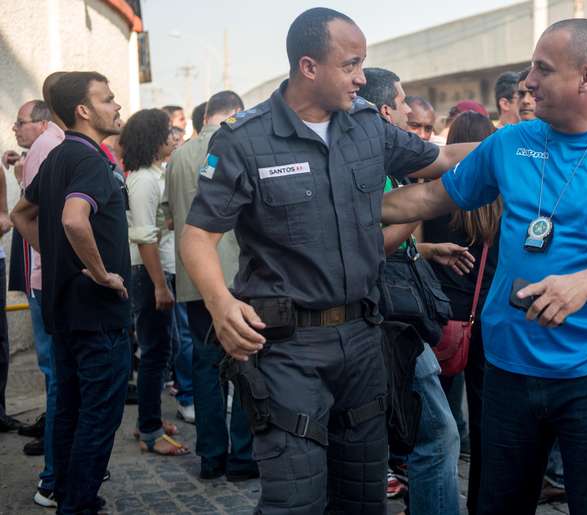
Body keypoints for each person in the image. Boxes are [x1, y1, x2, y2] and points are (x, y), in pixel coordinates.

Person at [179, 8, 476, 514]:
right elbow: (197, 234)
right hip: (289, 349)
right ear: (309, 66)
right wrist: (220, 303)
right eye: (352, 64)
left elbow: (441, 160)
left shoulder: (365, 126)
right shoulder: (244, 139)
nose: (362, 77)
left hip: (363, 341)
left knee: (363, 499)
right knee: (295, 499)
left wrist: (527, 145)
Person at [382, 18, 587, 514]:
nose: (527, 81)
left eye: (542, 69)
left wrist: (584, 284)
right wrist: (342, 210)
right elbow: (431, 197)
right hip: (505, 372)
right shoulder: (509, 143)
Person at [12, 70, 131, 514]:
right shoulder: (87, 159)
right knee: (97, 418)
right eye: (108, 98)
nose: (116, 106)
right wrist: (99, 273)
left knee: (70, 409)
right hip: (98, 314)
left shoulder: (58, 156)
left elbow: (22, 214)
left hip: (66, 312)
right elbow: (74, 219)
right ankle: (77, 504)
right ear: (84, 110)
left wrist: (61, 258)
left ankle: (65, 491)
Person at [360, 66, 466, 515]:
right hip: (388, 322)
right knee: (438, 433)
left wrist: (423, 247)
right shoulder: (372, 161)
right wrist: (417, 203)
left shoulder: (380, 159)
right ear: (385, 111)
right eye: (403, 104)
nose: (409, 112)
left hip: (393, 316)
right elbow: (371, 242)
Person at [163, 89, 258, 481]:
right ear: (235, 113)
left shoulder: (178, 157)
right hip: (236, 276)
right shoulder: (242, 145)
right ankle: (242, 458)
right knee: (247, 364)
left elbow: (172, 216)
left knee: (204, 369)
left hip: (193, 279)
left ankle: (211, 456)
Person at [422, 110, 500, 514]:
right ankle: (482, 502)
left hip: (440, 321)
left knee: (439, 426)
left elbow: (412, 250)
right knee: (486, 422)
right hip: (487, 321)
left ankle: (437, 500)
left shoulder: (438, 194)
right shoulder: (503, 199)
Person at [120, 108, 190, 456]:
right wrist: (160, 285)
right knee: (155, 352)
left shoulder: (154, 174)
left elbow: (158, 227)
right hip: (148, 276)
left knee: (166, 348)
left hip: (158, 271)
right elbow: (144, 237)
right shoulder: (144, 179)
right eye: (166, 133)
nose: (172, 139)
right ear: (152, 139)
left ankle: (149, 417)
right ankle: (148, 430)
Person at [14, 74, 67, 508]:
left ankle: (65, 468)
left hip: (49, 281)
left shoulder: (51, 146)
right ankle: (53, 477)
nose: (15, 129)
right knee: (59, 381)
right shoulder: (47, 149)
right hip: (46, 283)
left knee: (65, 381)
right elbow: (24, 216)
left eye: (19, 122)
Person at [0, 101, 46, 434]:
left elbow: (9, 217)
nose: (14, 129)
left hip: (38, 267)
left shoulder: (40, 159)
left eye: (20, 122)